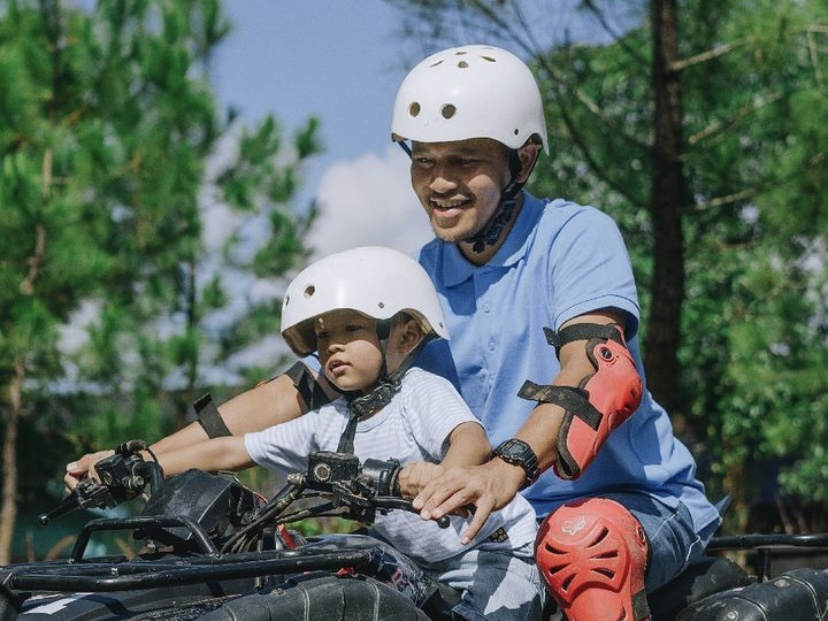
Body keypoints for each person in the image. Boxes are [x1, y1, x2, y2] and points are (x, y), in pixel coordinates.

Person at [67, 44, 721, 621]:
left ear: (522, 160)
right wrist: (145, 457)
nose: (439, 182)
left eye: (465, 161)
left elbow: (598, 369)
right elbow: (301, 389)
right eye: (424, 160)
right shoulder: (423, 273)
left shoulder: (574, 237)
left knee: (583, 543)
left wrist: (505, 468)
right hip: (490, 524)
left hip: (625, 505)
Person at [105, 245, 545, 621]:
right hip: (413, 558)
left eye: (351, 329)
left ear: (407, 335)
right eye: (321, 337)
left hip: (492, 552)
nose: (331, 346)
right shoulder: (329, 421)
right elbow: (231, 450)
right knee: (303, 568)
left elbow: (469, 437)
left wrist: (451, 477)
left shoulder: (420, 392)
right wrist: (140, 465)